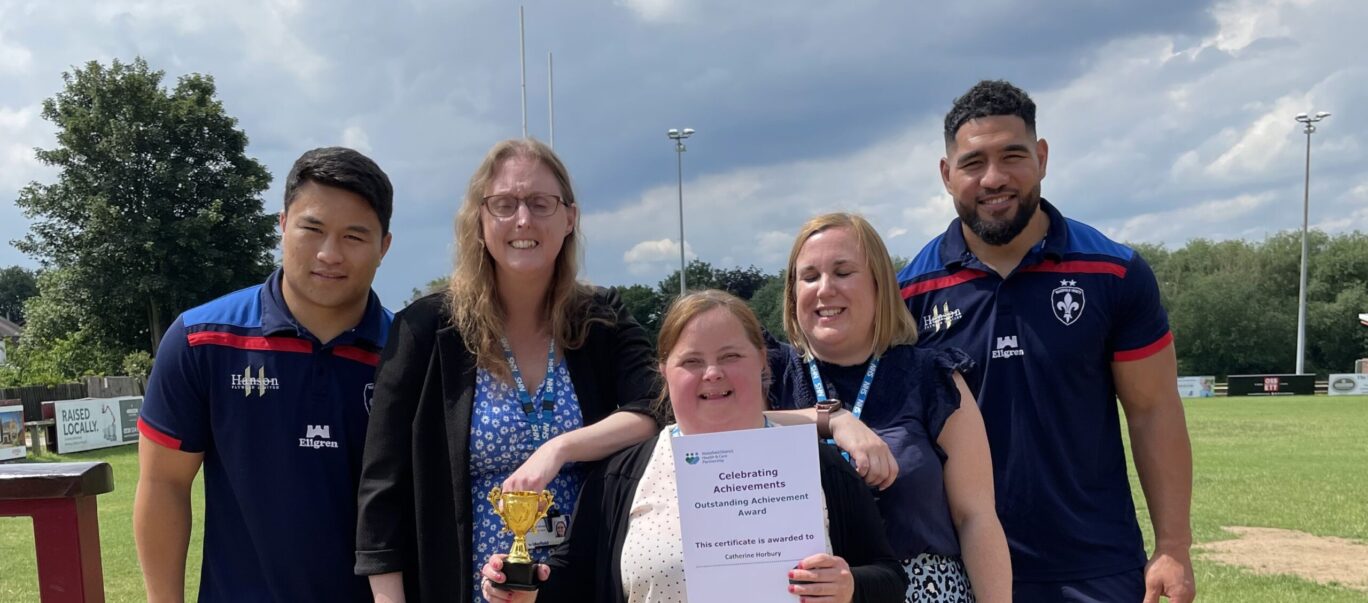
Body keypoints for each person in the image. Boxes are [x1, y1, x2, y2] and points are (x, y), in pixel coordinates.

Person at [897, 80, 1195, 603]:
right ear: (946, 175)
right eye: (972, 163)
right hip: (958, 570)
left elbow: (1153, 411)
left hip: (1095, 567)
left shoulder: (1113, 272)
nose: (994, 179)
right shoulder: (909, 294)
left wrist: (1172, 545)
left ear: (1041, 157)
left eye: (1012, 155)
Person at [355, 138, 661, 602]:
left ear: (569, 219)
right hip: (460, 587)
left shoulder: (602, 317)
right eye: (504, 204)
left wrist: (559, 448)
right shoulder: (424, 328)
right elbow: (382, 485)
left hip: (579, 586)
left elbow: (651, 409)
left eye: (541, 204)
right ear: (480, 220)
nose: (523, 220)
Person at [481, 290, 910, 603]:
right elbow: (573, 579)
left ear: (762, 360)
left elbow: (889, 577)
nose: (712, 374)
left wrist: (850, 586)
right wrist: (526, 587)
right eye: (691, 361)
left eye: (730, 357)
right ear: (663, 371)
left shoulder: (816, 463)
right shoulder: (622, 475)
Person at [134, 147, 395, 602]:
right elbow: (163, 485)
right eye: (312, 229)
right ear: (282, 225)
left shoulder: (408, 354)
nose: (329, 254)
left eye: (354, 236)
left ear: (384, 247)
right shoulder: (202, 340)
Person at [769, 213, 1010, 602]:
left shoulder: (933, 377)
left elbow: (976, 518)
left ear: (880, 284)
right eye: (809, 277)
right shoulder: (771, 374)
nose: (825, 289)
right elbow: (720, 432)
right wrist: (832, 420)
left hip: (924, 590)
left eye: (843, 272)